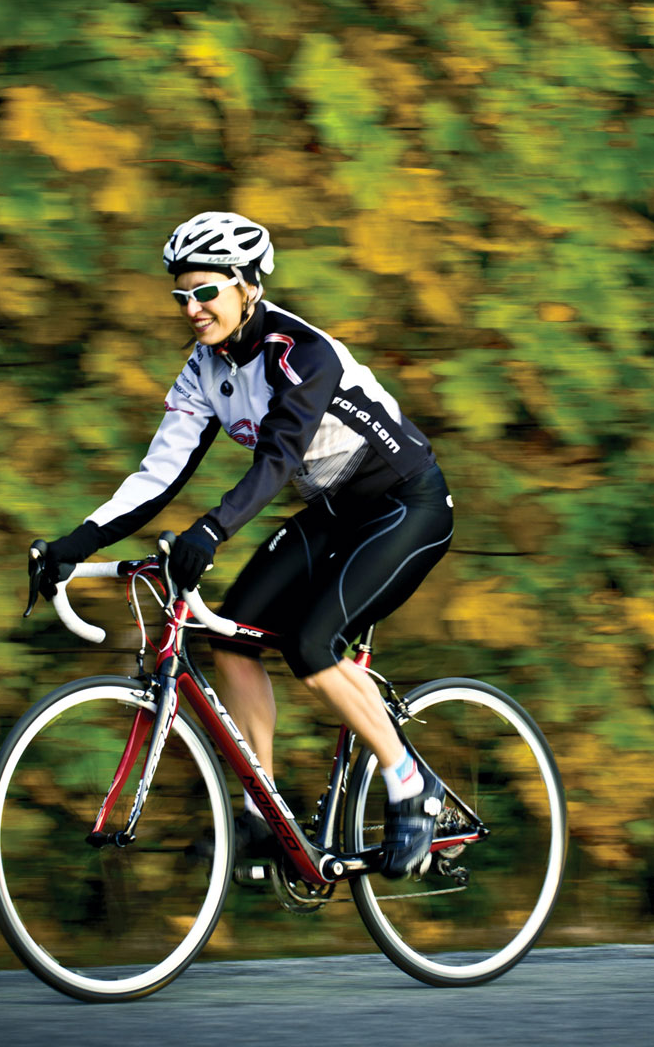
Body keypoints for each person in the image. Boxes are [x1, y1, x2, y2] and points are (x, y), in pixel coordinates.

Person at [35, 211, 454, 878]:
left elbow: (278, 460)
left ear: (247, 286)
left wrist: (213, 529)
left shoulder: (302, 353)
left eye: (206, 293)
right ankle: (264, 814)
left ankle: (411, 783)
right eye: (182, 297)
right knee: (231, 639)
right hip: (335, 507)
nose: (192, 309)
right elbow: (156, 476)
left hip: (406, 503)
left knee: (311, 647)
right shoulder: (203, 371)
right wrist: (73, 543)